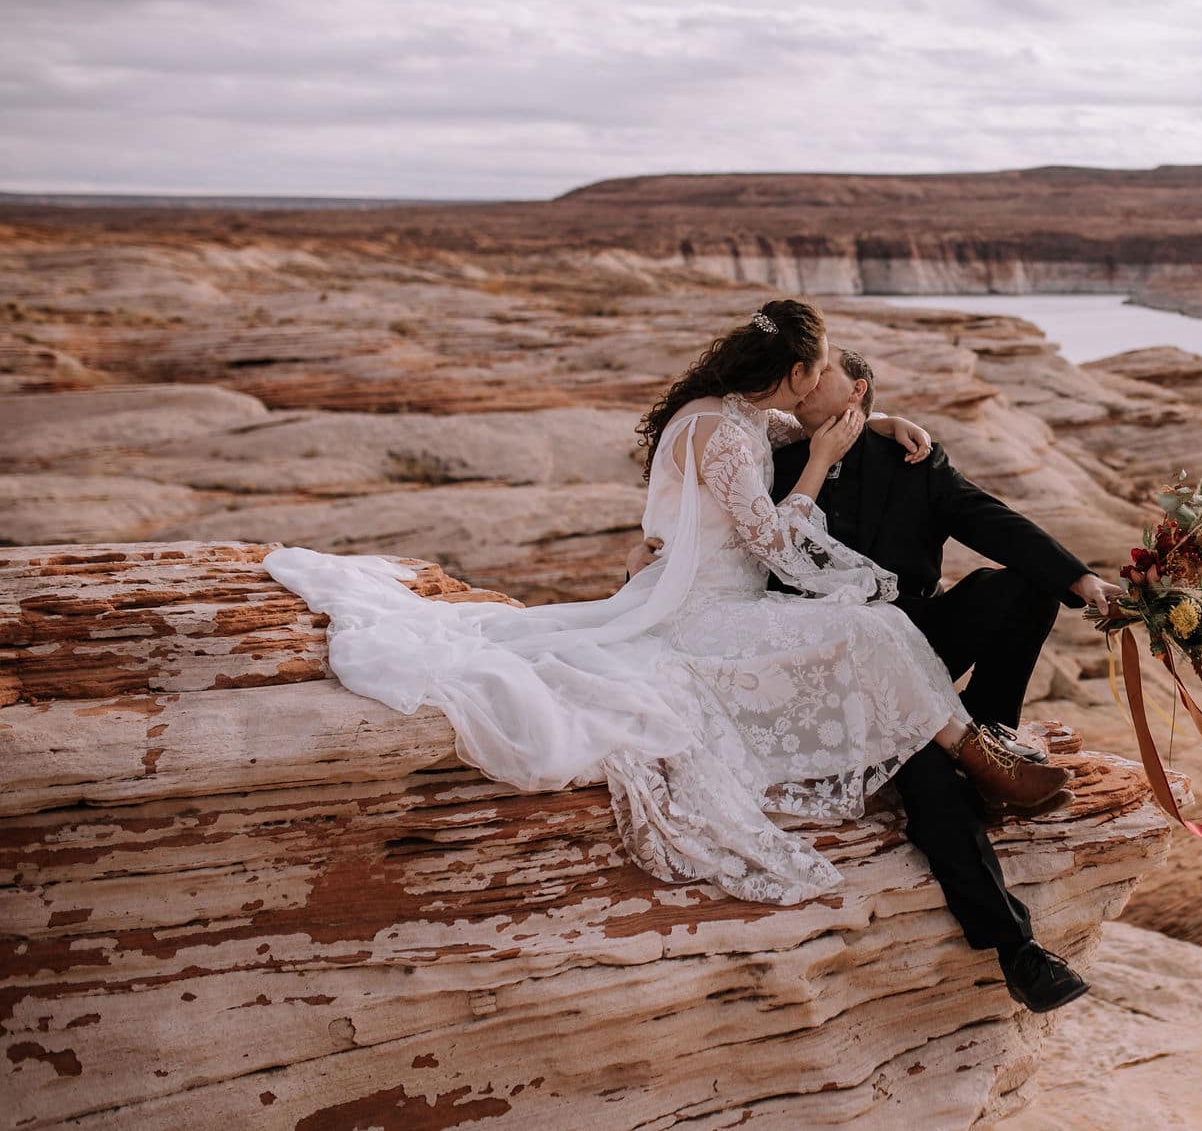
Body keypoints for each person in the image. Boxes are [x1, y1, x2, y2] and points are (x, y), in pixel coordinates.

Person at [263, 299, 1070, 927]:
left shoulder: (738, 411)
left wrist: (880, 421)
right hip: (708, 609)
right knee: (868, 625)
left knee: (872, 628)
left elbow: (805, 425)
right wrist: (819, 468)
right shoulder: (720, 432)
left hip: (713, 596)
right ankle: (974, 750)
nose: (822, 380)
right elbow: (776, 543)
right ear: (788, 368)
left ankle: (973, 747)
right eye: (816, 366)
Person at [630, 341, 1126, 1013]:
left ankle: (991, 732)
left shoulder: (912, 455)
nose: (806, 382)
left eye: (824, 371)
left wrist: (1082, 579)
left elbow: (989, 519)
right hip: (834, 663)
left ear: (858, 389)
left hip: (919, 629)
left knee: (1023, 587)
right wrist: (646, 566)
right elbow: (707, 535)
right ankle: (1018, 950)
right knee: (924, 777)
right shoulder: (772, 464)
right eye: (803, 370)